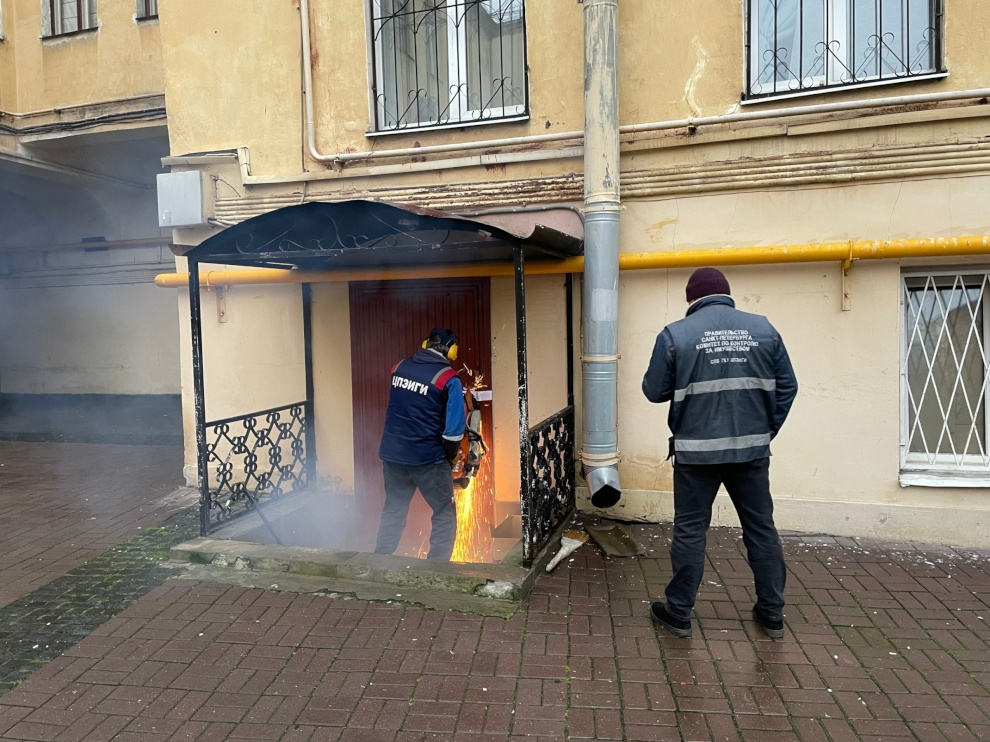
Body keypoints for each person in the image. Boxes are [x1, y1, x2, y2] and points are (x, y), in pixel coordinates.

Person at [642, 267, 798, 639]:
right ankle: (772, 614)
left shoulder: (676, 334)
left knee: (691, 531)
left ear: (691, 299)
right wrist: (766, 431)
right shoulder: (764, 329)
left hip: (696, 456)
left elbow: (653, 390)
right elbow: (788, 387)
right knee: (760, 528)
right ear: (727, 295)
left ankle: (679, 613)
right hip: (751, 452)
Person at [376, 328, 466, 560]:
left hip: (393, 456)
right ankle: (437, 568)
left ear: (425, 344)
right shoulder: (449, 378)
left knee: (394, 509)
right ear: (451, 350)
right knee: (444, 512)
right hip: (427, 459)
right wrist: (451, 457)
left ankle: (380, 560)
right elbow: (454, 433)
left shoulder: (399, 367)